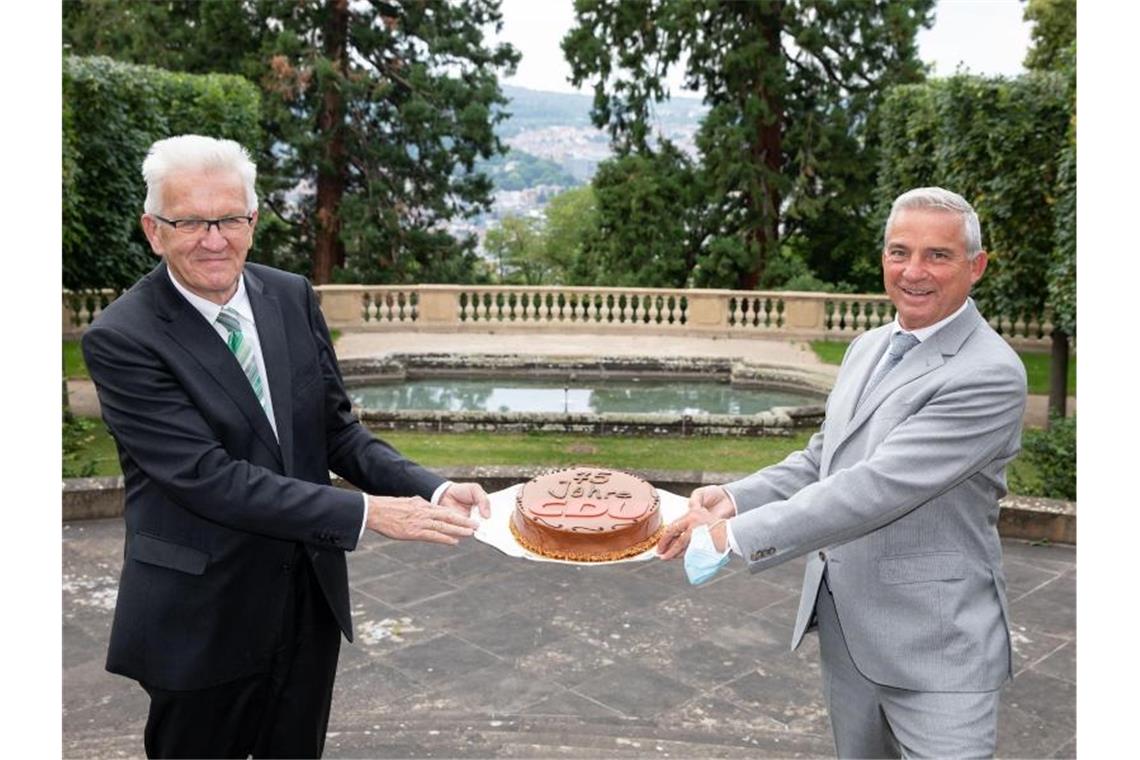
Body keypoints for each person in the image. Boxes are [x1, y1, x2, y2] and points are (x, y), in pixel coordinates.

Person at [81, 134, 491, 759]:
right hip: (200, 617)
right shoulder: (122, 337)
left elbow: (335, 431)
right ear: (153, 230)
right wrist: (366, 514)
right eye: (190, 220)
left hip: (305, 606)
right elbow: (207, 476)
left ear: (253, 219)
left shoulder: (291, 295)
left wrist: (428, 486)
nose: (214, 239)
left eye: (230, 219)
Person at [657, 187, 1027, 758]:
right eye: (899, 252)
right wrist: (732, 499)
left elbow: (875, 488)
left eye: (938, 255)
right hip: (849, 635)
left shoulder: (990, 373)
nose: (914, 271)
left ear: (975, 266)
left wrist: (734, 537)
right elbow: (822, 458)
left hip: (938, 648)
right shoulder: (868, 347)